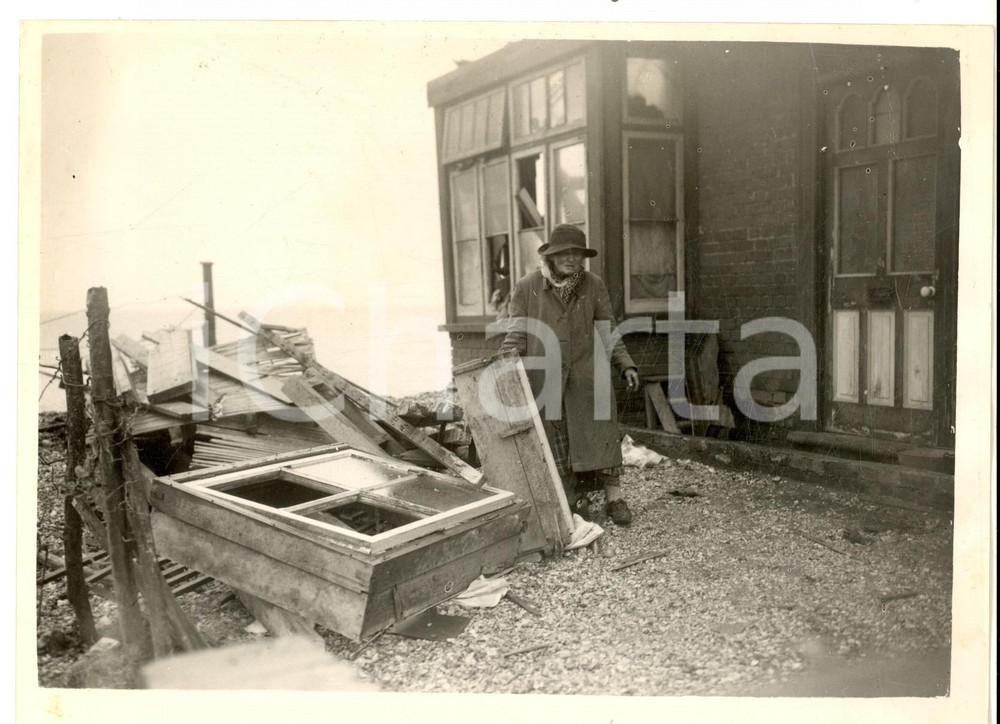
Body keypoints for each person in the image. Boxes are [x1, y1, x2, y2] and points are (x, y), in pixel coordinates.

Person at [499, 224, 640, 525]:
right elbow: (515, 336)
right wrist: (504, 370)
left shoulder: (593, 285)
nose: (572, 259)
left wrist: (625, 364)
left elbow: (608, 330)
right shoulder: (527, 287)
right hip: (546, 379)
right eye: (564, 253)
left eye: (577, 253)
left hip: (590, 376)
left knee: (603, 433)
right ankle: (575, 500)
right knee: (558, 440)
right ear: (551, 255)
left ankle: (614, 498)